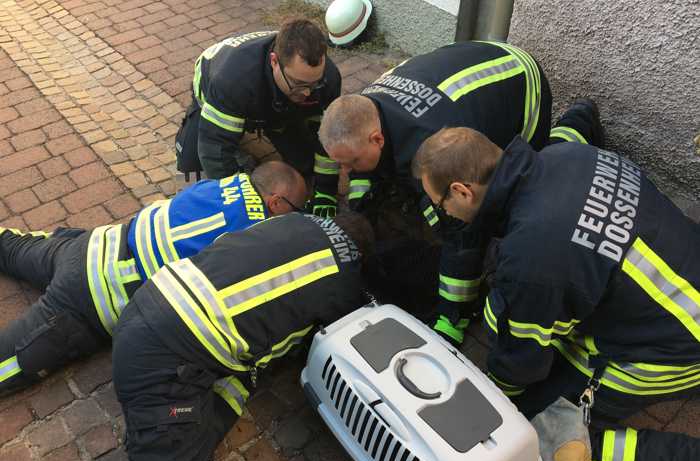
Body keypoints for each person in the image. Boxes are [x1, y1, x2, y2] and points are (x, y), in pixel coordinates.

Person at [413, 126, 700, 461]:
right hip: (682, 285)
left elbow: (520, 364)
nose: (444, 213)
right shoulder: (566, 156)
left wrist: (500, 413)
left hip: (672, 348)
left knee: (538, 421)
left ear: (462, 190)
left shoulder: (532, 256)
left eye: (441, 202)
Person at [29, 212, 373, 461]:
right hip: (163, 359)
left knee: (241, 378)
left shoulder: (292, 220)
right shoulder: (346, 284)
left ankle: (167, 438)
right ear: (360, 255)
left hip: (150, 302)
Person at [317, 40, 603, 342]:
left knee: (537, 175)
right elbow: (362, 165)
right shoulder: (360, 112)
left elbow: (463, 236)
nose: (346, 174)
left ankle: (578, 120)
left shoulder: (427, 147)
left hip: (520, 82)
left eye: (352, 164)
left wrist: (452, 318)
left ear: (377, 139)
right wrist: (354, 203)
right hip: (469, 69)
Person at [0, 161, 307, 397]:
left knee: (13, 247)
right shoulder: (252, 234)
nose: (295, 217)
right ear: (276, 201)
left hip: (91, 244)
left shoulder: (224, 184)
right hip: (93, 297)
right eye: (296, 209)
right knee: (12, 362)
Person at [174, 18, 342, 209]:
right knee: (193, 180)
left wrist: (326, 192)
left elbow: (327, 138)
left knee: (306, 165)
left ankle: (275, 120)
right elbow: (214, 150)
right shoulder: (233, 81)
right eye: (298, 84)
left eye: (314, 84)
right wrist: (242, 205)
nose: (307, 93)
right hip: (214, 87)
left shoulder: (328, 78)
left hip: (273, 102)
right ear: (274, 62)